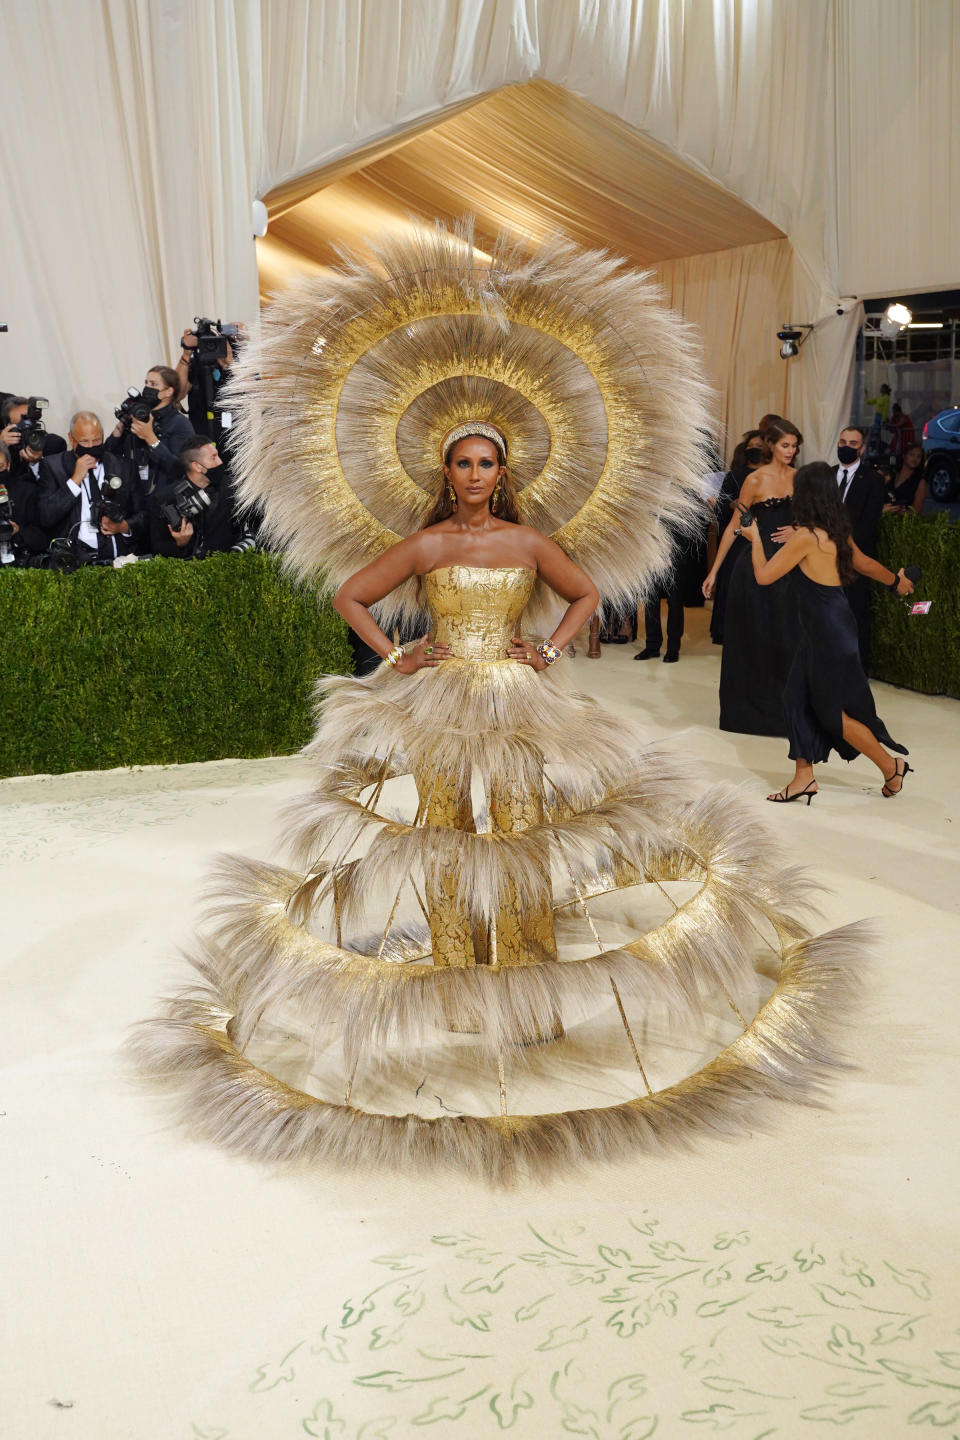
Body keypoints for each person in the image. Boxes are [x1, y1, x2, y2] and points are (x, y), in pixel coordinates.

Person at [135, 225, 865, 1177]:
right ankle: (459, 986)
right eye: (461, 465)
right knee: (443, 836)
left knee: (520, 832)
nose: (474, 477)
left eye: (486, 465)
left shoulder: (526, 546)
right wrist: (396, 659)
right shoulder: (432, 546)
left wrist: (551, 648)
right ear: (444, 472)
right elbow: (352, 594)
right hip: (440, 700)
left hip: (519, 700)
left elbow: (590, 594)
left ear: (503, 471)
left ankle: (524, 991)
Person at [739, 461, 914, 803]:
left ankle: (892, 766)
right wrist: (897, 582)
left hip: (827, 635)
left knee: (834, 714)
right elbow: (863, 563)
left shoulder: (806, 537)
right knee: (796, 697)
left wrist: (755, 537)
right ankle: (804, 777)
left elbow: (764, 576)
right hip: (830, 627)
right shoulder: (832, 530)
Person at [702, 419, 802, 735]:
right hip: (755, 567)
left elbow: (817, 521)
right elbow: (736, 523)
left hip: (789, 566)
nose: (792, 451)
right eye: (786, 445)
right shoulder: (755, 480)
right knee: (753, 637)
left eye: (795, 446)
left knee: (788, 639)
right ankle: (750, 715)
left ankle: (788, 713)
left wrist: (800, 530)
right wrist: (715, 570)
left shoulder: (801, 479)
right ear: (771, 445)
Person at [38, 412, 143, 560]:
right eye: (85, 441)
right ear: (71, 439)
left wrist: (124, 526)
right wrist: (74, 481)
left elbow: (143, 515)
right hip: (73, 559)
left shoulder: (124, 466)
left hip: (119, 558)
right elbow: (46, 517)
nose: (91, 446)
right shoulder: (53, 466)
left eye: (96, 440)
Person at [833, 424, 886, 665]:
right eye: (843, 442)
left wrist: (843, 549)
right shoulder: (826, 475)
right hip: (822, 559)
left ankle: (858, 667)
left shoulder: (873, 480)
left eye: (852, 444)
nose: (846, 447)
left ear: (862, 449)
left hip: (855, 559)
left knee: (855, 614)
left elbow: (869, 523)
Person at [708, 428, 764, 644]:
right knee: (732, 583)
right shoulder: (735, 476)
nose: (755, 450)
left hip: (761, 539)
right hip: (737, 540)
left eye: (759, 446)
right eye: (751, 447)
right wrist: (734, 507)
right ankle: (726, 629)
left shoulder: (771, 477)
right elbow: (724, 507)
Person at [106, 365, 193, 495]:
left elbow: (180, 469)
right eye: (146, 383)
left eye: (153, 384)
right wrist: (123, 421)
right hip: (134, 494)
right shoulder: (138, 416)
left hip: (162, 496)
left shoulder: (180, 423)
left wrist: (150, 438)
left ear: (168, 391)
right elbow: (109, 451)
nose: (147, 388)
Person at [148, 433, 238, 558]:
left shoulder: (232, 488)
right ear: (197, 466)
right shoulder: (165, 499)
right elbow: (157, 547)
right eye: (214, 457)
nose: (220, 462)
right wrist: (180, 543)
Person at [885, 442, 926, 515]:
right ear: (904, 456)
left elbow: (916, 511)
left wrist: (904, 512)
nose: (915, 459)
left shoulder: (919, 482)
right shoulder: (892, 476)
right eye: (912, 455)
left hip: (902, 522)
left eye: (919, 456)